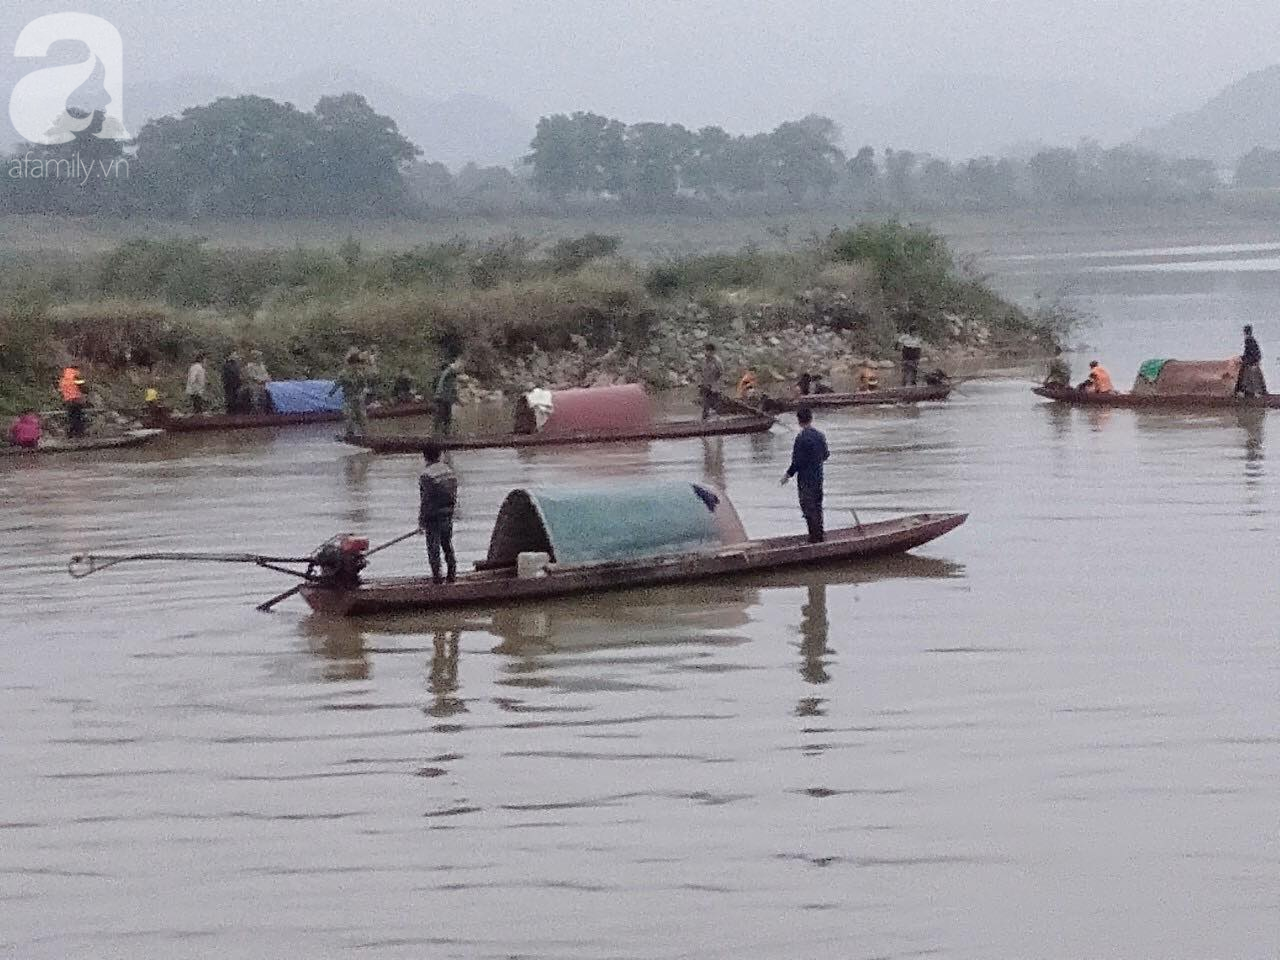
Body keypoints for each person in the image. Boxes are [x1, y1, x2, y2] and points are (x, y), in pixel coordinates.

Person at [781, 406, 830, 544]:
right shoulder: (820, 435)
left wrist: (787, 475)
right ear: (811, 418)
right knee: (817, 506)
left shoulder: (801, 438)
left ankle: (814, 539)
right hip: (818, 477)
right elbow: (826, 455)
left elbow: (797, 462)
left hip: (805, 479)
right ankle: (819, 535)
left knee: (808, 508)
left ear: (799, 421)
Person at [418, 441, 458, 585]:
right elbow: (453, 494)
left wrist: (421, 521)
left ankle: (437, 578)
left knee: (433, 548)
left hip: (433, 517)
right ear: (440, 455)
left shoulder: (426, 475)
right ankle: (452, 574)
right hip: (447, 514)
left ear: (425, 456)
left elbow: (425, 500)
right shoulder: (449, 471)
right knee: (447, 544)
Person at [331, 350, 370, 437]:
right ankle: (350, 433)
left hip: (358, 398)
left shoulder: (360, 374)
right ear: (350, 364)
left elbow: (364, 386)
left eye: (358, 364)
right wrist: (330, 394)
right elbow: (337, 385)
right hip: (348, 398)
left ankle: (365, 434)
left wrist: (363, 394)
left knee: (362, 416)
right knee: (349, 416)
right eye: (354, 364)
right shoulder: (343, 374)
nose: (356, 366)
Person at [432, 357, 462, 435]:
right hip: (443, 398)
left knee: (443, 418)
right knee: (444, 418)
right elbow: (450, 388)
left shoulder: (447, 373)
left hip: (442, 398)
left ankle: (442, 433)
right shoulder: (450, 372)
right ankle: (441, 434)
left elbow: (452, 389)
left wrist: (457, 399)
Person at [1236, 324, 1267, 397]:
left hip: (1251, 362)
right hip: (1254, 361)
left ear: (1245, 332)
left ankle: (1243, 392)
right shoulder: (1252, 340)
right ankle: (1251, 392)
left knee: (1244, 375)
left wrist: (1244, 360)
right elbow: (1254, 353)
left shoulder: (1248, 340)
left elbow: (1249, 352)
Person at [59, 365, 88, 438]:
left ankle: (70, 434)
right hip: (77, 399)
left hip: (68, 400)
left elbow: (62, 390)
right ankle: (79, 434)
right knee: (78, 417)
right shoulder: (76, 376)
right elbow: (83, 387)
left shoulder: (64, 378)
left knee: (71, 417)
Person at [699, 344, 724, 420]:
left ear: (712, 352)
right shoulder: (704, 361)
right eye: (706, 351)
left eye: (708, 351)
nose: (706, 352)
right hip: (706, 385)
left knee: (716, 404)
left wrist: (714, 383)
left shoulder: (717, 361)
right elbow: (703, 373)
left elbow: (721, 372)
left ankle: (718, 420)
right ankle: (705, 420)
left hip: (714, 386)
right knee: (705, 405)